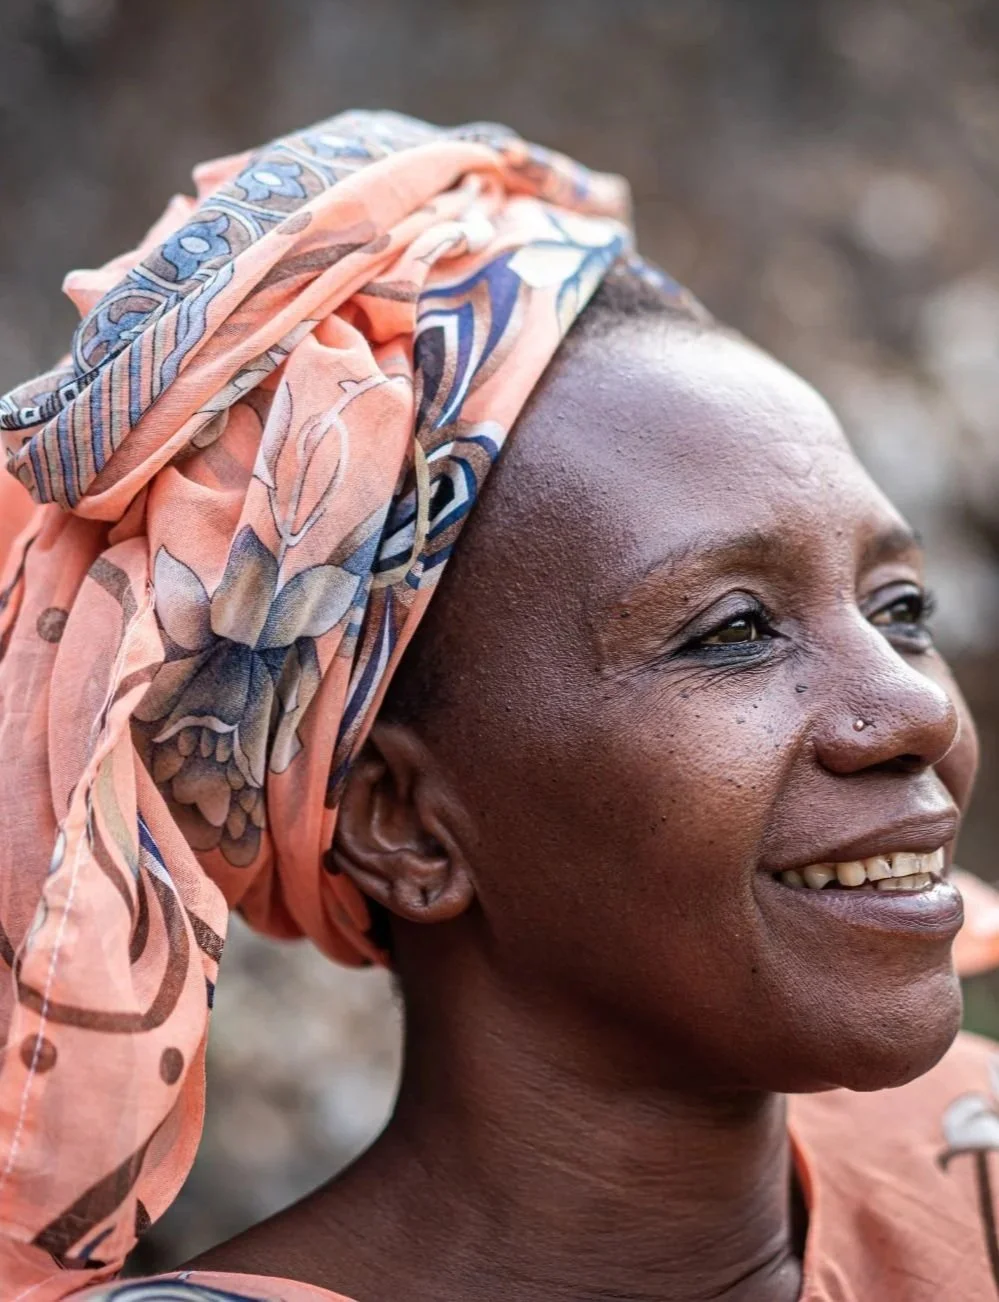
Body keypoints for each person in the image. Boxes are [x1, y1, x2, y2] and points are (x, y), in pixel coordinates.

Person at [1, 111, 999, 1302]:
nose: (914, 711)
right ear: (404, 823)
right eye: (734, 632)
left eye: (900, 609)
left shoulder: (967, 1178)